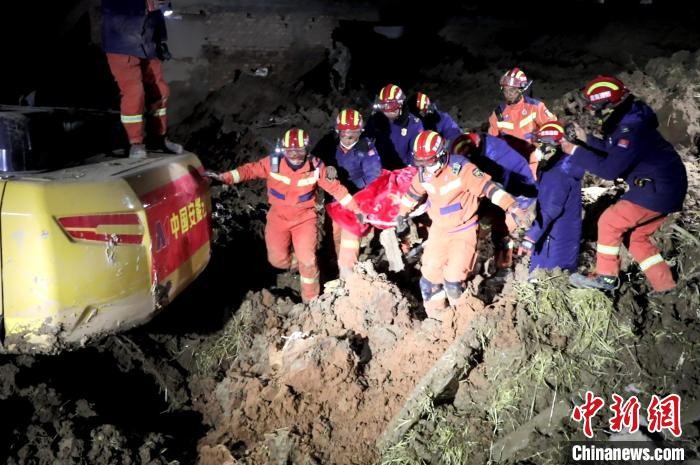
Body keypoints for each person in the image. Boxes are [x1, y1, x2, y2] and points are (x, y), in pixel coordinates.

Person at [561, 76, 687, 292]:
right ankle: (665, 286)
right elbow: (615, 151)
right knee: (636, 238)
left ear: (607, 106)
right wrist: (586, 140)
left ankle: (606, 279)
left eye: (594, 108)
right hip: (668, 187)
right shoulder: (630, 119)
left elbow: (610, 169)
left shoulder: (631, 129)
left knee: (609, 221)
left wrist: (575, 151)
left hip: (658, 188)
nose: (592, 113)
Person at [206, 128, 361, 302]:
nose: (294, 156)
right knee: (277, 260)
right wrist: (224, 177)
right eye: (290, 151)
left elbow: (336, 189)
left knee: (308, 262)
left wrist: (356, 210)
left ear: (307, 149)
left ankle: (311, 301)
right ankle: (301, 264)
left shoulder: (316, 167)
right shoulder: (273, 164)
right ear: (283, 149)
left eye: (299, 151)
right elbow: (249, 170)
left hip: (304, 220)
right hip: (278, 218)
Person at [396, 130, 530, 313]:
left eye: (429, 162)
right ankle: (437, 319)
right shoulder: (423, 174)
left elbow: (488, 188)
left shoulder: (462, 169)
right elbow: (412, 194)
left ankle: (461, 318)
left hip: (463, 231)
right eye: (421, 162)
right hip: (438, 231)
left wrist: (511, 206)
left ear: (442, 155)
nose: (426, 167)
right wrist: (401, 214)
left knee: (454, 282)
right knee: (429, 281)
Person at [102, 0, 183, 158]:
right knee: (134, 94)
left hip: (148, 43)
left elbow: (158, 11)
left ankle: (158, 138)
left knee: (160, 91)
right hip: (122, 44)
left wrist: (161, 40)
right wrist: (147, 4)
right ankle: (135, 143)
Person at [451, 131, 537, 278]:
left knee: (501, 229)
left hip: (520, 194)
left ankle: (504, 267)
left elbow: (491, 184)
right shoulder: (482, 148)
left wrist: (508, 206)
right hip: (504, 187)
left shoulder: (493, 158)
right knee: (481, 223)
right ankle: (478, 260)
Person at [517, 122, 584, 277]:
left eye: (540, 144)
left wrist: (530, 237)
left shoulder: (556, 174)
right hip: (563, 236)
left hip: (553, 242)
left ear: (551, 146)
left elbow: (549, 209)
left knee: (547, 280)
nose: (537, 149)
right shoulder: (564, 164)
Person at [328, 108, 382, 278]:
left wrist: (351, 188)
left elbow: (374, 177)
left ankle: (348, 277)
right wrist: (327, 169)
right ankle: (338, 265)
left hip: (358, 200)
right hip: (336, 199)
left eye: (353, 132)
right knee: (336, 234)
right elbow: (317, 163)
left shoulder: (367, 149)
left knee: (349, 237)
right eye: (344, 132)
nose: (348, 136)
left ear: (360, 131)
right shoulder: (331, 147)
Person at [487, 67, 558, 178]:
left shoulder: (535, 107)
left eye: (512, 90)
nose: (508, 94)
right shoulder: (498, 114)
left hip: (532, 161)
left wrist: (544, 147)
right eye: (505, 90)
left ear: (521, 89)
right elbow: (491, 142)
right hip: (508, 163)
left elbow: (553, 128)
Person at [364, 83, 424, 169]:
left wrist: (405, 170)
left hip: (402, 170)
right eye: (383, 105)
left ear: (400, 104)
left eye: (391, 105)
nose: (386, 110)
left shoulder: (414, 124)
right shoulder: (376, 119)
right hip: (378, 168)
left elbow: (416, 153)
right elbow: (366, 140)